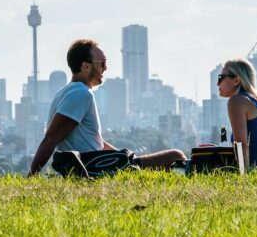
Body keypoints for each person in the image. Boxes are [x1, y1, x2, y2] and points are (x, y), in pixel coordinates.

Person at [27, 39, 187, 176]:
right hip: (95, 168)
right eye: (102, 63)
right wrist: (31, 176)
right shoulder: (80, 94)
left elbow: (95, 142)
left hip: (99, 162)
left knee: (161, 160)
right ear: (86, 66)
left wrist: (122, 157)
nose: (105, 68)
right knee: (176, 157)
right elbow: (51, 138)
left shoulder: (65, 93)